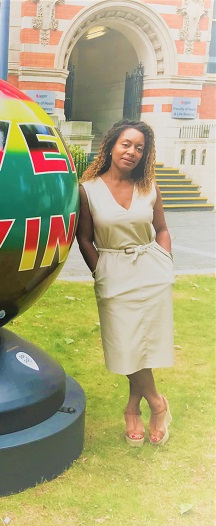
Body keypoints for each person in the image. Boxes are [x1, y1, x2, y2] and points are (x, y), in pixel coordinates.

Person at [76, 119, 174, 447]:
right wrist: (100, 271)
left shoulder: (149, 187)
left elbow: (162, 228)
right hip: (113, 270)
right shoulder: (87, 190)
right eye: (126, 144)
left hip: (151, 271)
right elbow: (84, 238)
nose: (132, 152)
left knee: (142, 345)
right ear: (111, 146)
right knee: (125, 343)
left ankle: (133, 409)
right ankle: (158, 403)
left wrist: (165, 261)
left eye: (139, 148)